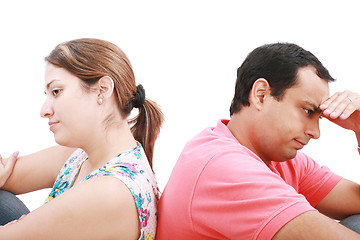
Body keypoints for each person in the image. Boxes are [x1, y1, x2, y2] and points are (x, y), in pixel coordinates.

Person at [156, 43, 360, 239]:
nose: (316, 132)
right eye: (308, 111)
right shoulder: (224, 167)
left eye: (320, 117)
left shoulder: (281, 159)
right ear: (261, 95)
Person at [0, 38, 164, 240]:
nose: (44, 111)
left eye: (56, 92)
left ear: (102, 90)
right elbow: (5, 173)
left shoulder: (110, 191)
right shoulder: (80, 157)